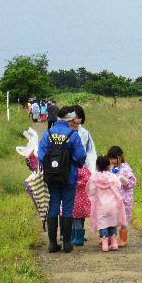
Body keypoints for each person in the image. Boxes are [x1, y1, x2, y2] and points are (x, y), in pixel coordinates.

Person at [37, 106, 86, 252]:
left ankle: (52, 244)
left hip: (51, 177)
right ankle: (67, 244)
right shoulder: (73, 134)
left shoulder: (48, 133)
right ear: (70, 120)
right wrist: (75, 163)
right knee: (67, 208)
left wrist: (49, 167)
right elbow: (81, 156)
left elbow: (41, 155)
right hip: (69, 177)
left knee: (53, 206)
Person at [87, 156, 127, 252]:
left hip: (101, 206)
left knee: (103, 224)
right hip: (113, 205)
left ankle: (105, 245)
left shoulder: (94, 178)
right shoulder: (113, 177)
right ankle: (114, 243)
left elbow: (91, 191)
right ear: (109, 166)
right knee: (112, 223)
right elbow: (119, 186)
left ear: (97, 166)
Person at [107, 146, 137, 247]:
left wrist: (125, 182)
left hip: (124, 199)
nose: (112, 161)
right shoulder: (110, 168)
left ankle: (123, 239)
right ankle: (111, 238)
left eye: (114, 158)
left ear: (120, 157)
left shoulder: (126, 168)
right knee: (112, 219)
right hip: (112, 199)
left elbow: (133, 182)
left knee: (124, 220)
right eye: (110, 159)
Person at [71, 165, 91, 246]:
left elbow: (86, 179)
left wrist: (73, 183)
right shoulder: (83, 169)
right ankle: (75, 236)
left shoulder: (81, 169)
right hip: (78, 198)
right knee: (75, 218)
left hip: (78, 198)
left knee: (77, 219)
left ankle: (78, 238)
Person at [72, 105, 97, 171]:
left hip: (82, 170)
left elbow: (90, 153)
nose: (76, 120)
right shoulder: (63, 132)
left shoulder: (85, 133)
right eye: (73, 118)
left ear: (82, 118)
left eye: (78, 118)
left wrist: (92, 170)